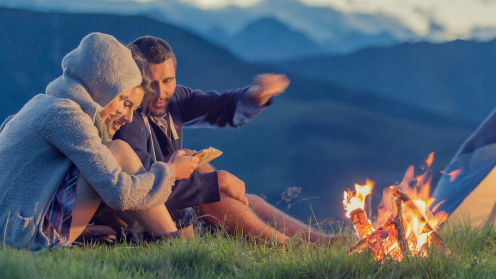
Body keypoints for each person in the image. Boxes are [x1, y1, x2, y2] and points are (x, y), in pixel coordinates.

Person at [0, 33, 200, 250]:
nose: (128, 117)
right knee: (117, 152)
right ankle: (175, 246)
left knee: (109, 160)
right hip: (14, 237)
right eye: (124, 101)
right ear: (102, 87)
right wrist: (169, 172)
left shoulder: (44, 105)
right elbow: (118, 191)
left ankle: (154, 239)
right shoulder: (66, 114)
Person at [116, 36, 338, 245]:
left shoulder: (173, 100)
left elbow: (218, 108)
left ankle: (326, 243)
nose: (160, 92)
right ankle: (294, 249)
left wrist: (256, 95)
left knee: (245, 200)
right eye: (150, 83)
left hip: (173, 205)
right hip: (149, 223)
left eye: (168, 80)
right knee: (211, 192)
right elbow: (141, 187)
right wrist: (215, 181)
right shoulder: (127, 119)